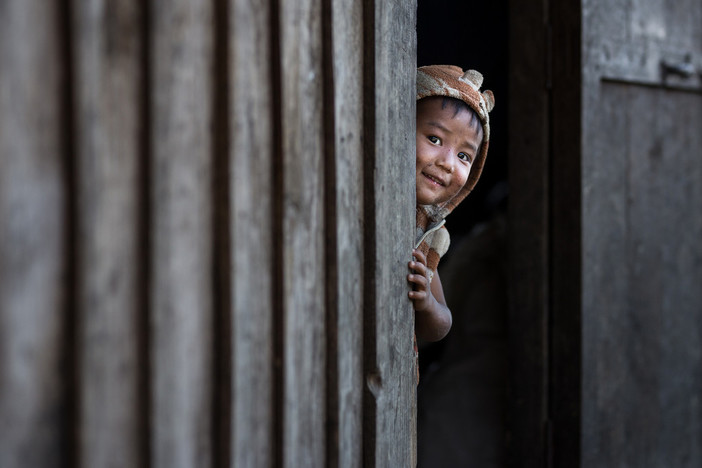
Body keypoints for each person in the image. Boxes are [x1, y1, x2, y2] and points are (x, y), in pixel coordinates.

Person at [408, 65, 495, 350]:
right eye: (434, 139)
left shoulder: (429, 231)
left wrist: (426, 302)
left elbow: (441, 325)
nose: (448, 162)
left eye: (463, 155)